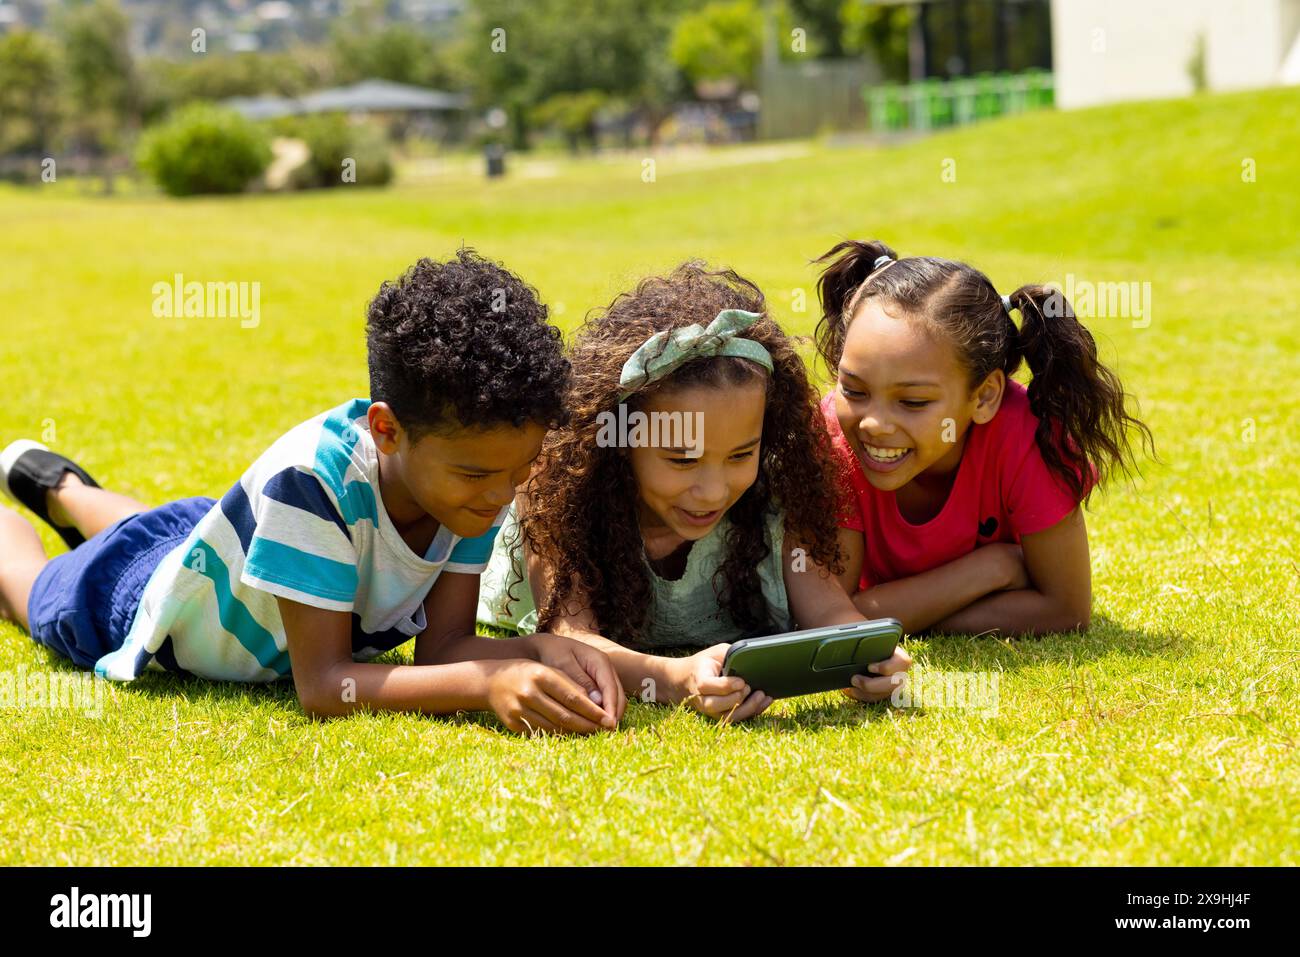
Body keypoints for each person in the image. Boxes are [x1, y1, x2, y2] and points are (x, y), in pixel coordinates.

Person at [0, 249, 624, 734]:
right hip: (135, 598)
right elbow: (325, 687)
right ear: (387, 430)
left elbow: (443, 647)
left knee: (162, 533)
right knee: (28, 589)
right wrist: (488, 684)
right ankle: (37, 504)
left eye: (518, 473)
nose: (500, 498)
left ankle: (61, 485)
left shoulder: (472, 481)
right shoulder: (310, 485)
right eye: (478, 476)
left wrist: (542, 649)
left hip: (222, 547)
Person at [812, 239, 1153, 635]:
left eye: (913, 401)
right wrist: (990, 571)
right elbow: (836, 615)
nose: (873, 423)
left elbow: (1066, 609)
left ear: (985, 396)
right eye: (854, 390)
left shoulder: (1025, 437)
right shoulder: (833, 437)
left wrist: (906, 612)